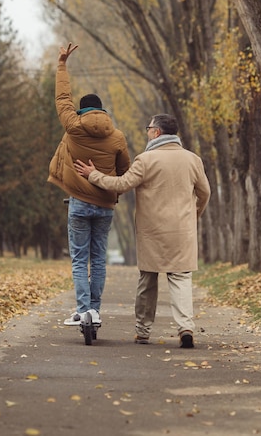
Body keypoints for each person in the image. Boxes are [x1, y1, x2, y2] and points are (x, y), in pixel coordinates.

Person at [74, 113, 211, 348]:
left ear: (156, 132)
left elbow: (121, 185)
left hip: (152, 232)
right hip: (182, 232)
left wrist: (93, 175)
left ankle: (143, 332)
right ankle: (185, 328)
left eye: (148, 128)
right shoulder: (192, 160)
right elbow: (205, 192)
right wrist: (193, 216)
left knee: (148, 280)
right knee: (181, 279)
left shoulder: (146, 160)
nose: (147, 131)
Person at [48, 43, 131, 328]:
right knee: (98, 260)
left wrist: (62, 64)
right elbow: (125, 172)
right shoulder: (117, 136)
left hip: (79, 204)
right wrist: (110, 190)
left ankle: (83, 310)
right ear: (103, 111)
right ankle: (94, 311)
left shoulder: (74, 127)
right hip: (105, 206)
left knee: (79, 259)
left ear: (83, 111)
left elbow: (62, 99)